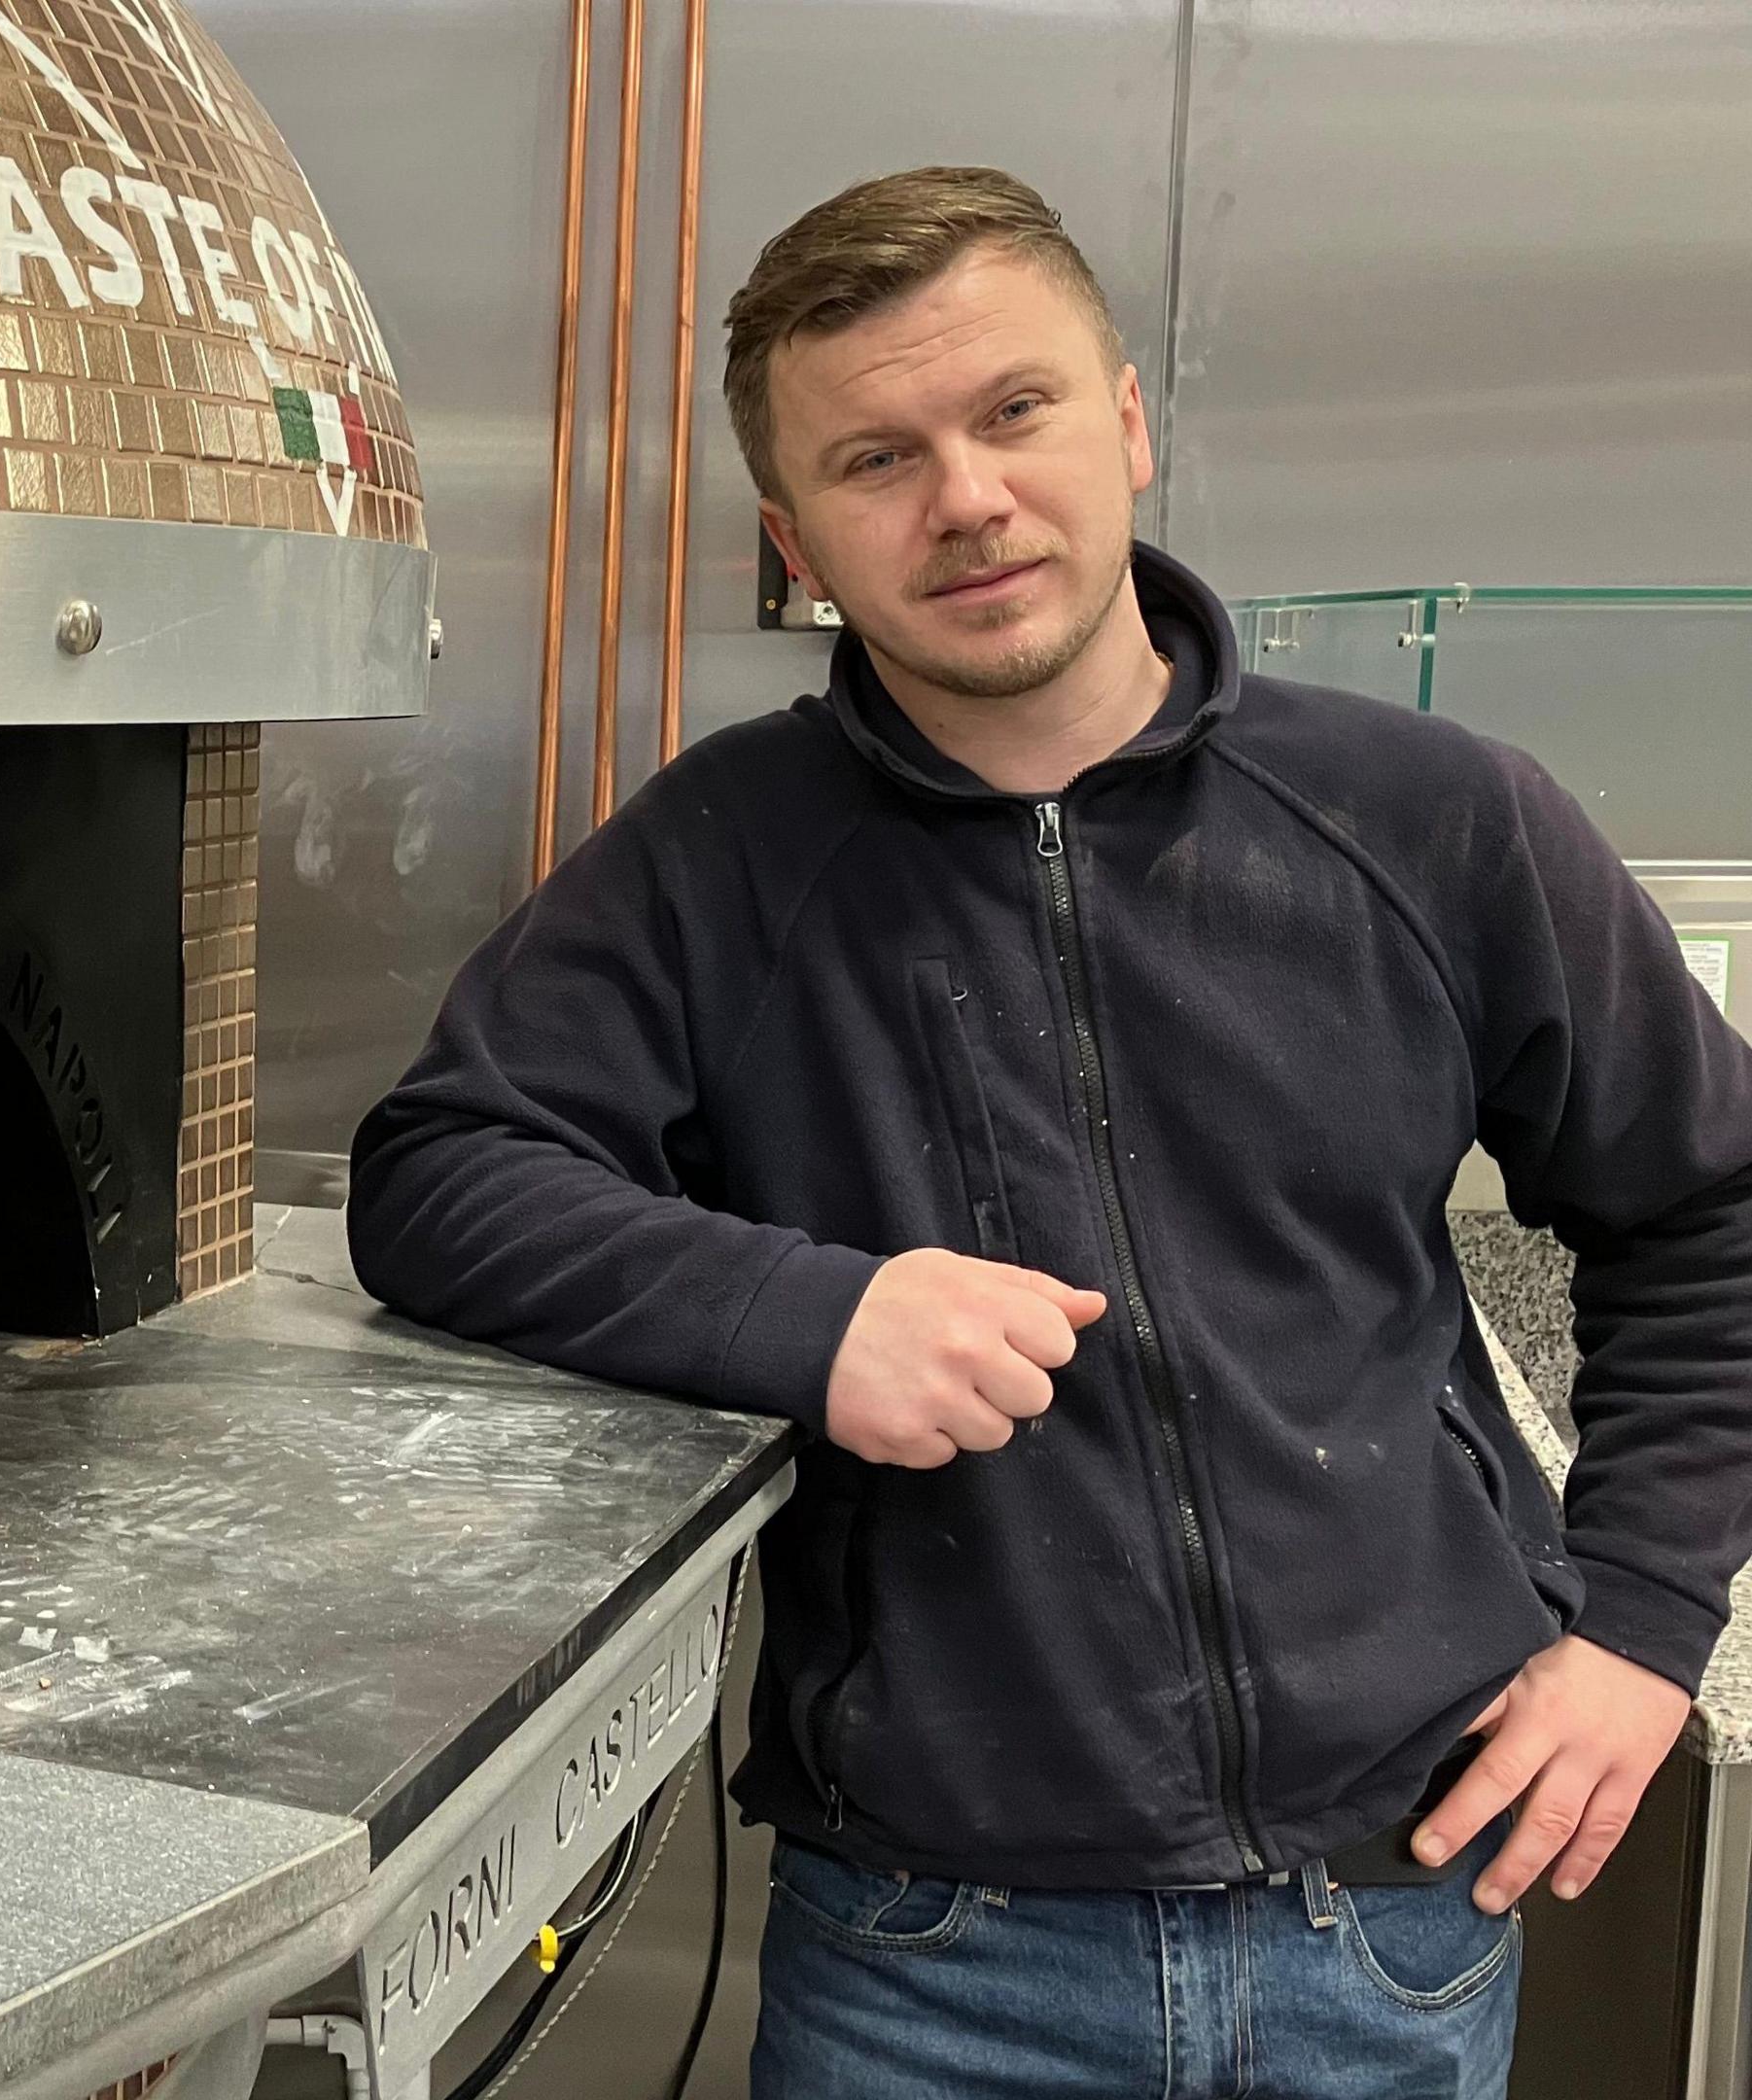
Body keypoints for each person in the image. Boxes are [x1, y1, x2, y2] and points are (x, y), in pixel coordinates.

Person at [345, 165, 1752, 2097]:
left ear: (1127, 422)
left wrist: (1648, 1622)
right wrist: (809, 1316)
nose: (968, 498)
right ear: (797, 535)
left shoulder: (1437, 821)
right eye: (876, 458)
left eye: (1013, 412)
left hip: (1395, 1914)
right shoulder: (721, 862)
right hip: (937, 1957)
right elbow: (442, 1177)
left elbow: (1711, 1210)